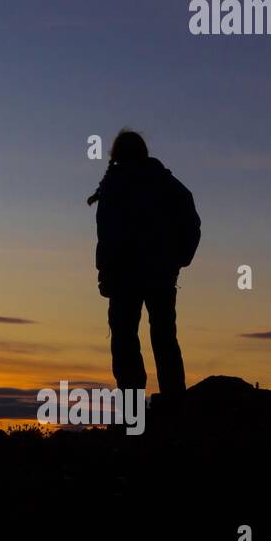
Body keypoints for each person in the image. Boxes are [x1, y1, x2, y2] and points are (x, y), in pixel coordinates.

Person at [88, 130, 200, 417]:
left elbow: (108, 235)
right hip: (157, 275)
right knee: (162, 337)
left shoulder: (115, 185)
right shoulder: (164, 182)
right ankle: (173, 405)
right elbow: (190, 221)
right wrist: (178, 259)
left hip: (127, 277)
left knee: (127, 341)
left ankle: (134, 412)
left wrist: (106, 273)